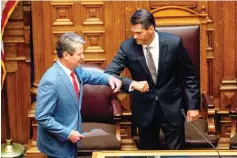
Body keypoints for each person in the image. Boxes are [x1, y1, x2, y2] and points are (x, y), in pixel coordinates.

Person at [105, 9, 200, 150]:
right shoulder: (127, 47)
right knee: (148, 152)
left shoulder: (173, 43)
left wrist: (193, 106)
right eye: (133, 32)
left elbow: (189, 75)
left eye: (138, 33)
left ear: (151, 28)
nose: (135, 36)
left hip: (172, 106)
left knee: (176, 153)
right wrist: (132, 83)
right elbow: (109, 74)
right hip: (144, 109)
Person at [35, 33, 121, 158]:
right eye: (79, 54)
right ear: (65, 55)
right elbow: (42, 117)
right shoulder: (51, 81)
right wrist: (68, 133)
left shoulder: (75, 69)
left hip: (72, 137)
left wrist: (109, 78)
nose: (83, 57)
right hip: (58, 144)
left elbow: (90, 75)